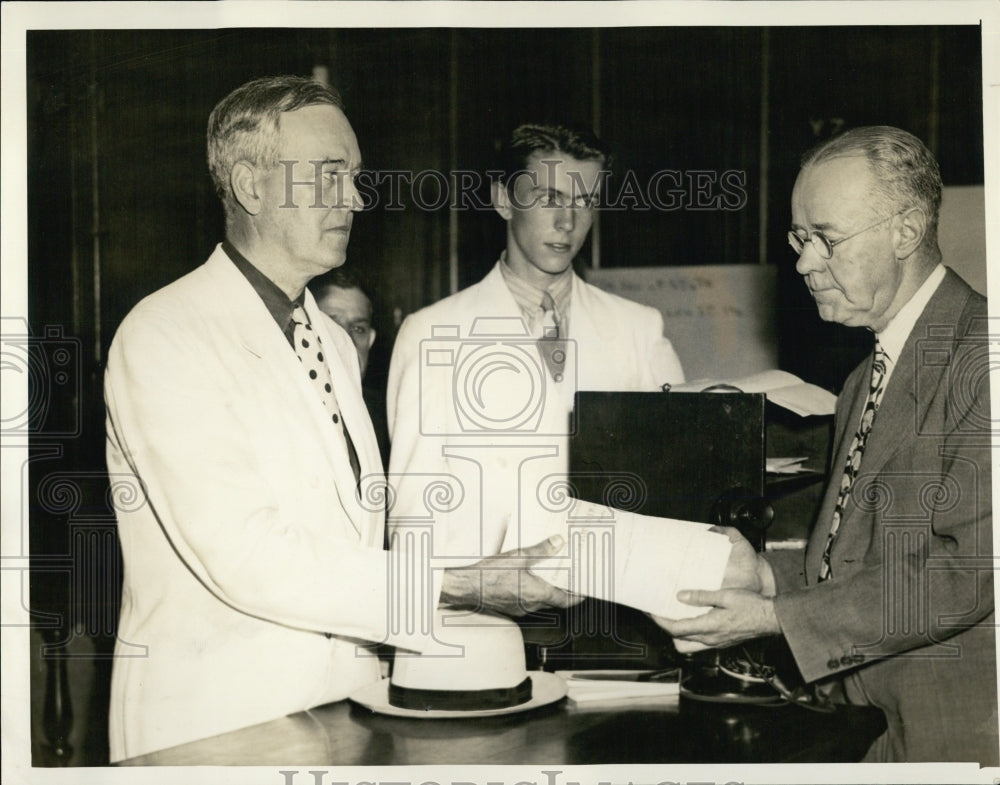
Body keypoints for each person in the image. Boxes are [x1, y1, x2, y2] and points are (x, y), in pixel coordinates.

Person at [102, 76, 579, 762]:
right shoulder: (163, 334)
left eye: (355, 178)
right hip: (215, 733)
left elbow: (347, 543)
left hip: (346, 719)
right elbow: (249, 557)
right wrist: (458, 583)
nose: (355, 199)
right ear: (249, 185)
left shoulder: (328, 336)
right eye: (330, 176)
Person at [657, 126, 997, 764]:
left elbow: (970, 570)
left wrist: (777, 618)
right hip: (866, 729)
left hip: (951, 736)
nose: (804, 263)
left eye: (826, 240)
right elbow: (860, 556)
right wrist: (763, 575)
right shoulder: (861, 377)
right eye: (799, 238)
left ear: (906, 231)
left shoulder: (983, 359)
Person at [386, 122, 686, 560]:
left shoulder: (638, 329)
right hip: (486, 615)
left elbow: (674, 487)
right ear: (504, 200)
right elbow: (413, 522)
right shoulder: (432, 333)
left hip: (611, 607)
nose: (568, 222)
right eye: (549, 199)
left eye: (584, 202)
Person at [310, 269, 390, 466]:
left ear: (370, 340)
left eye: (358, 328)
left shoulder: (387, 419)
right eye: (331, 324)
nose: (346, 340)